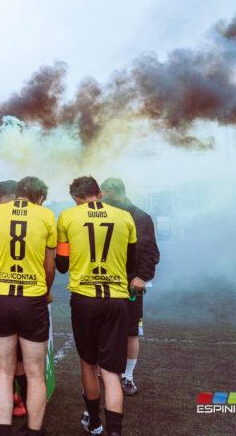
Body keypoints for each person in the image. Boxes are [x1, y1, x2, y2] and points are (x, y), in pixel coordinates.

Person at [56, 176, 138, 436]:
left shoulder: (67, 217)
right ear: (98, 192)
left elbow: (62, 265)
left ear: (75, 198)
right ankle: (115, 431)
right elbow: (131, 262)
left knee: (88, 364)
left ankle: (94, 422)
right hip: (116, 298)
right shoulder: (125, 217)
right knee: (112, 372)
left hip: (84, 299)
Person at [0, 177, 57, 436]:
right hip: (31, 299)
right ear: (40, 198)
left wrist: (3, 270)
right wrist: (44, 289)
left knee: (3, 371)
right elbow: (50, 267)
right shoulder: (46, 216)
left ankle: (4, 431)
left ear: (17, 192)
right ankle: (34, 432)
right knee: (34, 374)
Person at [100, 178, 160, 396]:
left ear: (112, 193)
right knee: (102, 329)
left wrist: (142, 277)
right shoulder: (100, 214)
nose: (102, 199)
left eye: (104, 194)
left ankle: (127, 376)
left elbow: (150, 252)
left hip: (128, 284)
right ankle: (105, 369)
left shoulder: (140, 217)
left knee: (130, 332)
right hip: (102, 283)